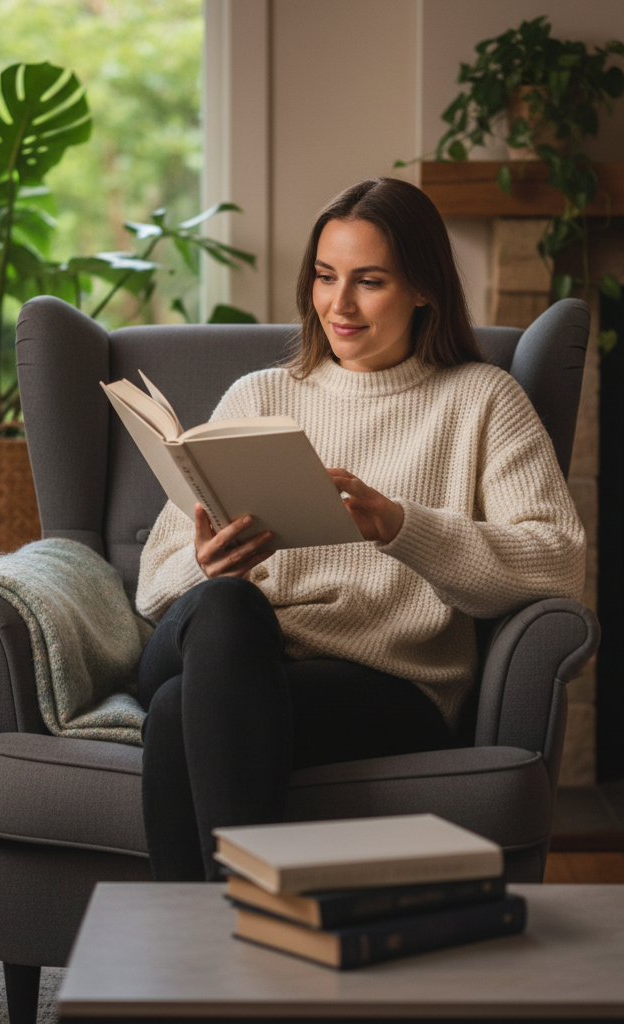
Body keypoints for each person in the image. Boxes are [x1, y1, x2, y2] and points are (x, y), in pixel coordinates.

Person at [134, 177, 586, 882]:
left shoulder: (481, 400)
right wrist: (205, 564)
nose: (337, 305)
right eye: (324, 276)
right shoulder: (261, 395)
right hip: (225, 643)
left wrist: (404, 527)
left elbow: (557, 564)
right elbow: (153, 586)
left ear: (423, 288)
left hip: (384, 684)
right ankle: (247, 932)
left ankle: (200, 957)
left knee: (173, 714)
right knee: (226, 605)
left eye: (368, 281)